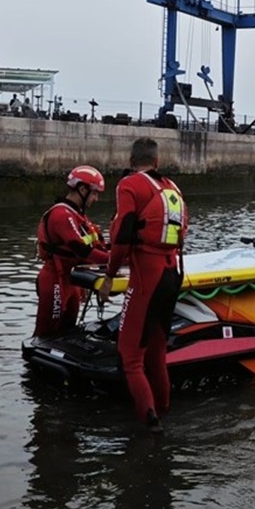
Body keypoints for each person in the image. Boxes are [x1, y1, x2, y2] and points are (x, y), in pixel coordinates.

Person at [98, 137, 186, 432]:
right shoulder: (172, 188)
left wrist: (109, 276)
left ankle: (149, 425)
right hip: (173, 273)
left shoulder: (130, 185)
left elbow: (122, 234)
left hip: (147, 276)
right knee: (157, 352)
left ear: (131, 161)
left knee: (131, 355)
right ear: (157, 162)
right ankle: (163, 411)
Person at [34, 165, 110, 338]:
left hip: (72, 280)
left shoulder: (78, 216)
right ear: (82, 189)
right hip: (55, 280)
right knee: (45, 335)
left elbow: (98, 248)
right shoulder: (61, 215)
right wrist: (116, 261)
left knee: (68, 332)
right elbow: (82, 250)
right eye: (94, 193)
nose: (96, 199)